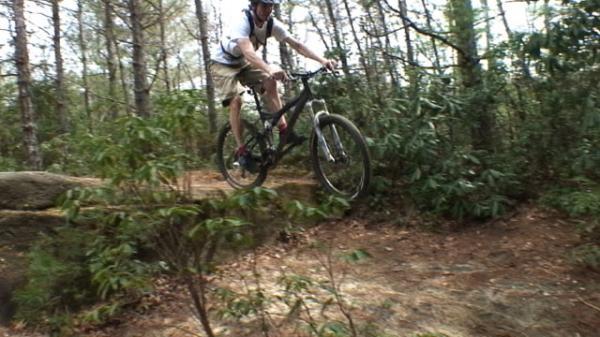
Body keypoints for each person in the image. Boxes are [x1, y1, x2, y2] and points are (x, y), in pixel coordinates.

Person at [210, 0, 336, 168]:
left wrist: (323, 60)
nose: (268, 10)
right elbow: (248, 52)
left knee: (271, 83)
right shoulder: (242, 21)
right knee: (236, 101)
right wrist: (269, 68)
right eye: (264, 5)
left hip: (243, 63)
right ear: (254, 5)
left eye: (271, 6)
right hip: (222, 64)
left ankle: (284, 130)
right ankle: (241, 150)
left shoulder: (272, 24)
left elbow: (297, 45)